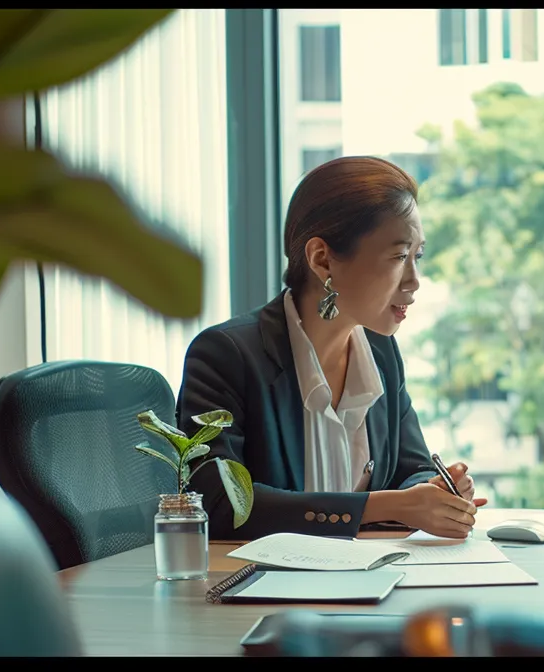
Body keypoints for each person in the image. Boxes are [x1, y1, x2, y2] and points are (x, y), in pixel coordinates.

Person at [178, 156, 485, 541]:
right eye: (398, 256)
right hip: (266, 591)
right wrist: (390, 506)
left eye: (417, 257)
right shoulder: (227, 355)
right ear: (323, 259)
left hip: (370, 581)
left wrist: (437, 491)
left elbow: (413, 468)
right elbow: (219, 503)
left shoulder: (381, 353)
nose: (414, 281)